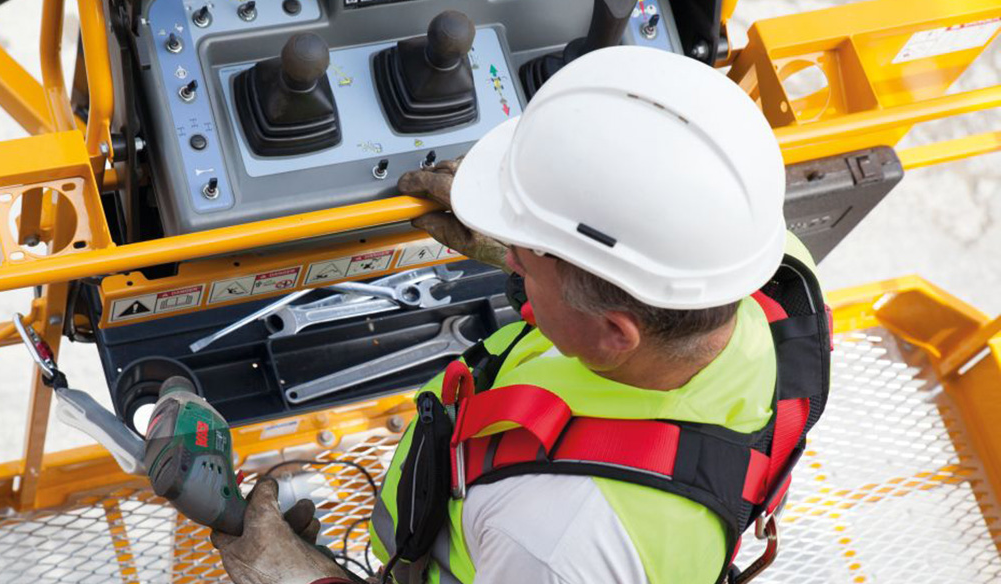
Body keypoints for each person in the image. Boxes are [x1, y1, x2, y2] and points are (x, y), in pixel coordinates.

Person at [212, 45, 831, 584]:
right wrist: (529, 232)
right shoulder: (774, 277)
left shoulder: (556, 541)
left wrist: (300, 576)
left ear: (614, 332)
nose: (508, 257)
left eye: (525, 261)